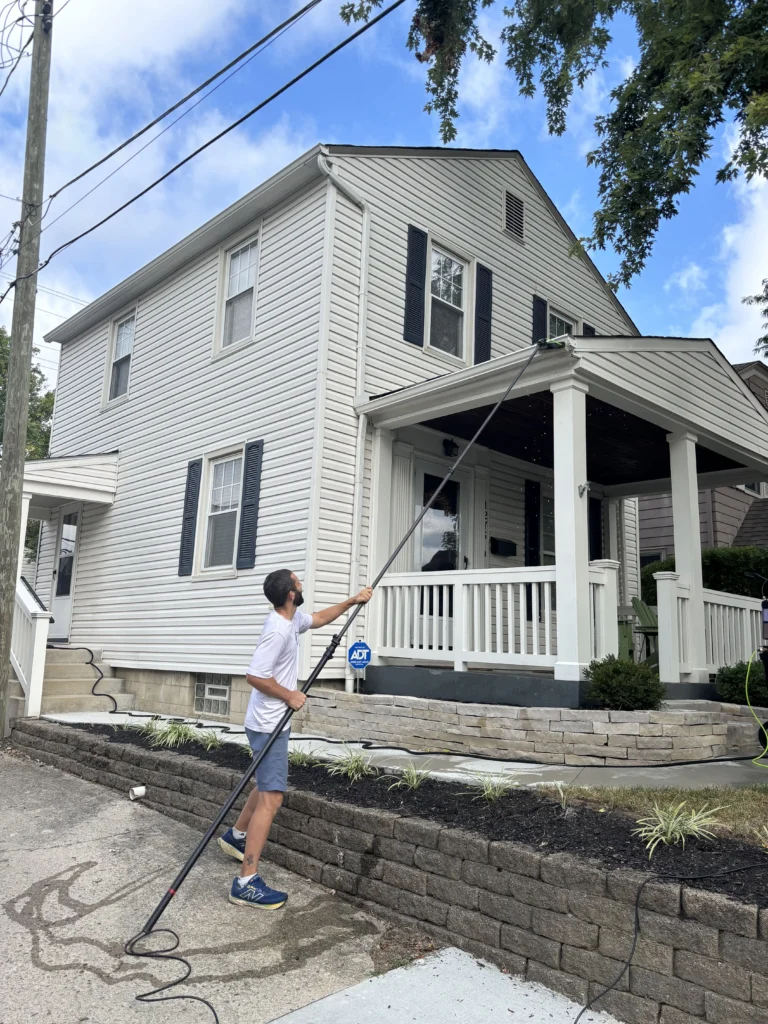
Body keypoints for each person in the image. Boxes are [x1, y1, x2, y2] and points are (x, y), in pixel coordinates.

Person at [218, 569, 373, 909]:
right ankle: (245, 882)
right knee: (272, 798)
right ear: (290, 594)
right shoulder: (277, 630)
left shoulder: (291, 620)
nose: (301, 583)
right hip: (268, 724)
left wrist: (353, 601)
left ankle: (237, 836)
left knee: (265, 784)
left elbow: (318, 619)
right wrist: (290, 694)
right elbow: (255, 676)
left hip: (269, 721)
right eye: (297, 581)